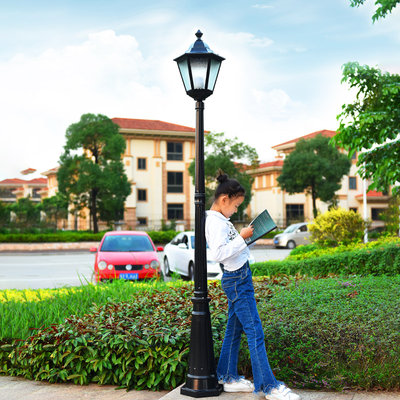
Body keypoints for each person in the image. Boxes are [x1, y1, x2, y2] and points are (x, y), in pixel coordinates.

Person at [205, 171, 300, 400]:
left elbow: (231, 249)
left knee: (234, 329)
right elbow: (218, 253)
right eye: (236, 205)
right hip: (236, 280)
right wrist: (242, 237)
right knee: (255, 331)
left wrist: (245, 237)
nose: (236, 210)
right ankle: (268, 386)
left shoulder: (221, 220)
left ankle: (226, 375)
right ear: (224, 199)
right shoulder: (215, 222)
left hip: (239, 276)